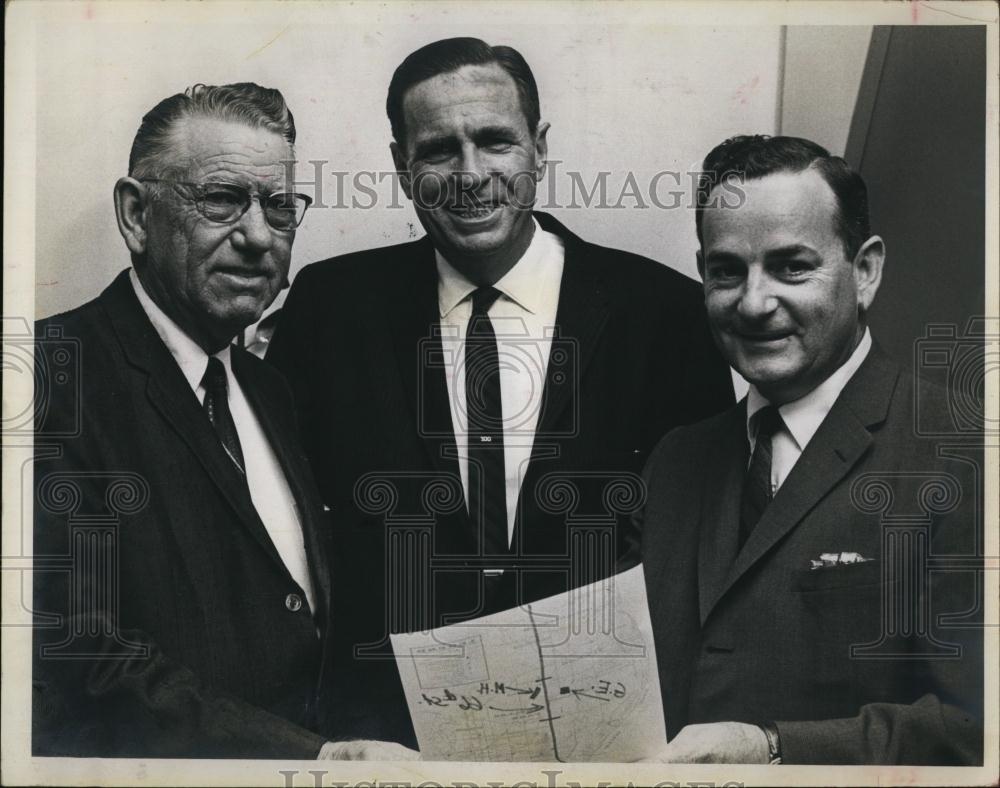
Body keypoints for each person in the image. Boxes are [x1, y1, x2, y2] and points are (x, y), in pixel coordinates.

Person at [266, 37, 734, 746]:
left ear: (539, 150)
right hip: (388, 742)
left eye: (494, 141)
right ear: (401, 165)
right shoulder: (330, 308)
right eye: (438, 150)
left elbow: (705, 545)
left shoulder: (666, 314)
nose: (470, 174)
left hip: (604, 731)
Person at [32, 83, 416, 760]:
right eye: (221, 200)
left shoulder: (268, 389)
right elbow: (76, 662)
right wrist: (309, 759)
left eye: (278, 207)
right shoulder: (48, 376)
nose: (258, 237)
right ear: (135, 215)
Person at [637, 135, 983, 764]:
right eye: (726, 271)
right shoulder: (675, 461)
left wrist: (772, 747)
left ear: (866, 270)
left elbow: (979, 727)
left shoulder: (964, 451)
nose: (753, 302)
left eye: (792, 267)